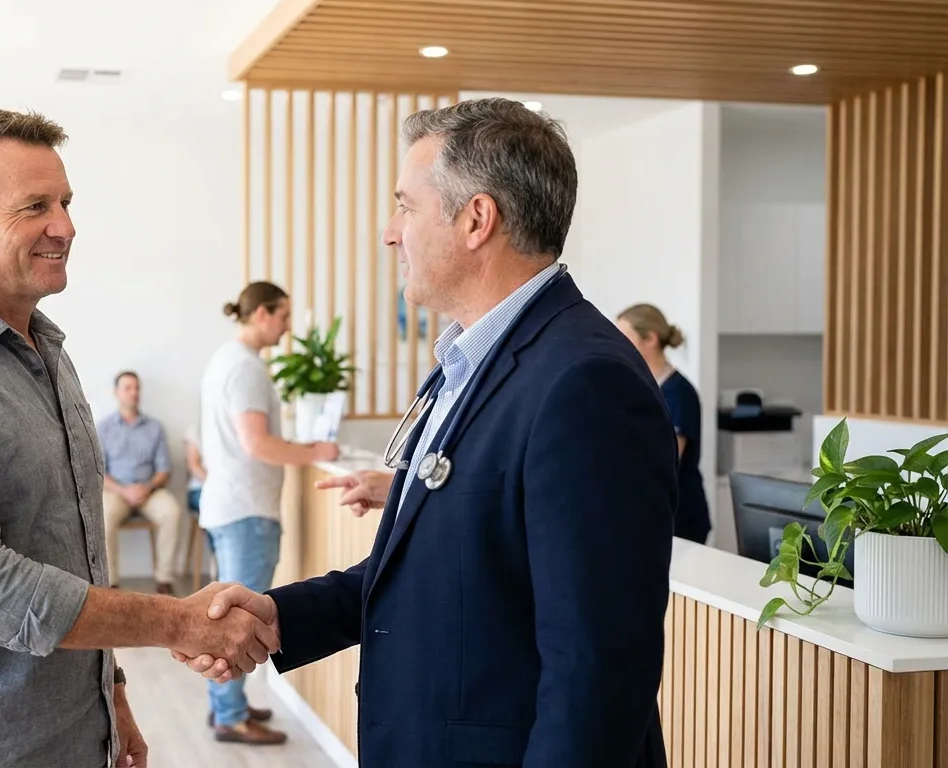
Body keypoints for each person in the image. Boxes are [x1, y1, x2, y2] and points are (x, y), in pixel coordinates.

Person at [178, 98, 678, 767]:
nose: (390, 232)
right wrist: (281, 616)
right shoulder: (468, 364)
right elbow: (432, 570)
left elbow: (597, 666)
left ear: (477, 219)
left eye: (405, 206)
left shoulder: (585, 382)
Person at [0, 108, 279, 768]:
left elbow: (73, 551)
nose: (66, 227)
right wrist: (176, 621)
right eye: (36, 207)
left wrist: (114, 694)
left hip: (75, 729)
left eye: (67, 203)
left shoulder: (48, 351)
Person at [197, 281, 340, 745]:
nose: (287, 326)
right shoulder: (247, 369)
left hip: (228, 505)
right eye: (282, 315)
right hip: (246, 511)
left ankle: (225, 705)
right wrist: (314, 450)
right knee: (237, 620)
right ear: (261, 314)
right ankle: (230, 715)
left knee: (224, 613)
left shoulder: (226, 360)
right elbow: (257, 443)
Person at [618, 303, 710, 544]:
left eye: (625, 337)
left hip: (681, 518)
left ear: (650, 339)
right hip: (651, 512)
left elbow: (666, 460)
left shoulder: (678, 394)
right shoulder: (642, 387)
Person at [98, 370, 183, 593]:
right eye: (128, 388)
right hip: (116, 491)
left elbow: (164, 470)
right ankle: (111, 582)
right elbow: (98, 471)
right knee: (103, 516)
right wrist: (124, 491)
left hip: (150, 490)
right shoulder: (104, 428)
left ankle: (164, 579)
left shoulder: (155, 427)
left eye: (137, 388)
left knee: (171, 511)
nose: (134, 393)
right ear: (116, 393)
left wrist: (146, 488)